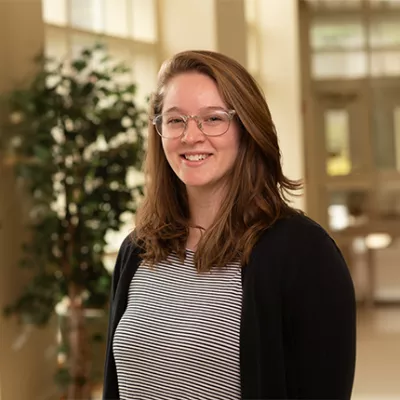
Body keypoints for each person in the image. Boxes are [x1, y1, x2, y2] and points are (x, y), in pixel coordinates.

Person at [102, 50, 356, 400]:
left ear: (246, 129)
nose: (191, 136)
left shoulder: (304, 252)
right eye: (176, 120)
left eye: (213, 119)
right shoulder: (138, 250)